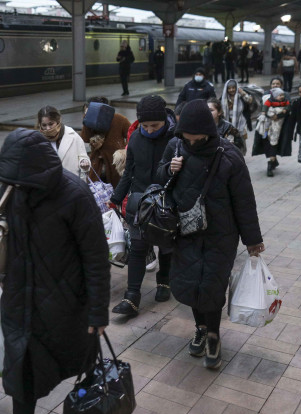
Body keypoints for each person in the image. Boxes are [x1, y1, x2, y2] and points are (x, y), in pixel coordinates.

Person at [0, 128, 110, 414]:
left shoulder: (75, 195)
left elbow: (96, 259)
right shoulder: (14, 190)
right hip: (22, 305)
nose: (13, 186)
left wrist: (98, 312)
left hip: (68, 308)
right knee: (23, 375)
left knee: (86, 368)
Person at [155, 99, 263, 369]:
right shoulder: (175, 146)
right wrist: (170, 169)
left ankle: (213, 335)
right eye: (186, 137)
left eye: (196, 138)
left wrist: (253, 240)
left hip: (220, 234)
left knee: (212, 286)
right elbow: (158, 178)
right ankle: (200, 327)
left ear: (208, 131)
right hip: (186, 229)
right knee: (192, 283)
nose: (191, 142)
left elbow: (244, 201)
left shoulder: (228, 155)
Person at [109, 95, 176, 316]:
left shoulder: (175, 139)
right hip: (139, 201)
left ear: (163, 121)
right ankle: (132, 297)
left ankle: (164, 281)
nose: (148, 130)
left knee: (165, 245)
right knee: (137, 247)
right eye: (144, 125)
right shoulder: (136, 137)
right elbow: (129, 171)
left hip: (166, 201)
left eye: (154, 125)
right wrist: (116, 198)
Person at [79, 96, 131, 188]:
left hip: (115, 162)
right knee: (95, 188)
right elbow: (85, 138)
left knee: (117, 187)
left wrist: (124, 151)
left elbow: (132, 134)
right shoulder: (90, 121)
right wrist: (86, 121)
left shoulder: (119, 119)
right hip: (97, 162)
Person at [36, 106, 89, 177]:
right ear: (40, 124)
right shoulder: (37, 140)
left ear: (58, 121)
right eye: (44, 125)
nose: (47, 128)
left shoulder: (72, 135)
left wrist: (84, 162)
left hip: (71, 182)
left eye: (51, 124)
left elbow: (83, 156)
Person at [254, 88, 290, 176]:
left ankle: (272, 162)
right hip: (268, 126)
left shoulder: (285, 99)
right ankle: (272, 162)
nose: (281, 97)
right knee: (271, 143)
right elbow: (265, 108)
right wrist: (265, 113)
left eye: (282, 95)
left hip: (280, 125)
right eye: (273, 84)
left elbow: (288, 107)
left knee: (275, 142)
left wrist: (282, 112)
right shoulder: (268, 99)